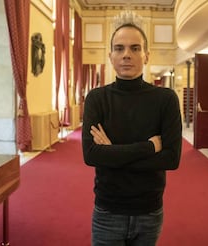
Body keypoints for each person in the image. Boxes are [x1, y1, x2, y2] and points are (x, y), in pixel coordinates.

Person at [82, 22, 182, 246]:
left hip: (149, 210)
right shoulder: (97, 98)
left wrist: (112, 154)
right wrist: (148, 148)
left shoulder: (165, 99)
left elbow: (171, 159)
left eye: (135, 48)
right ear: (110, 56)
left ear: (146, 55)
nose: (126, 54)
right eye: (119, 48)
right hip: (108, 210)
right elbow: (91, 156)